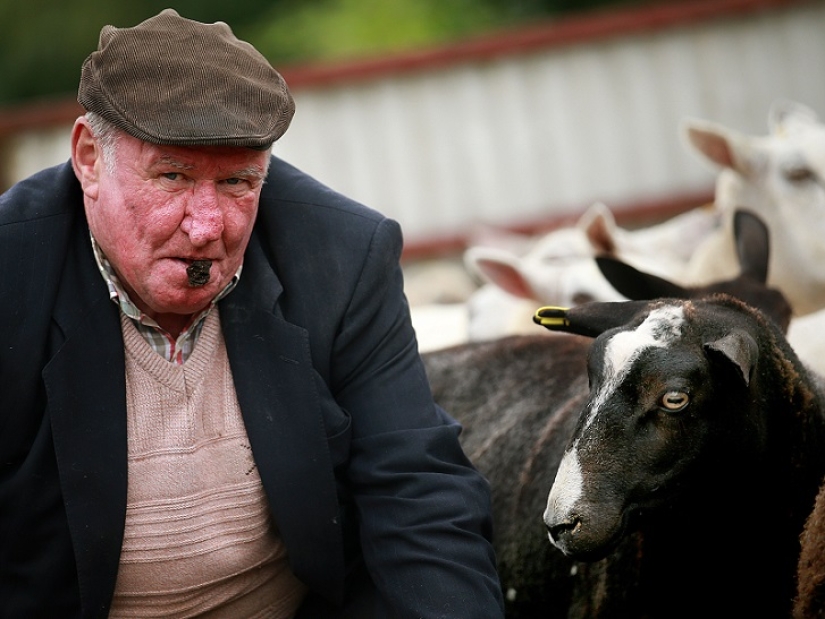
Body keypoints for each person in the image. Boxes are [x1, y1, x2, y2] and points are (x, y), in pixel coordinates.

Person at [0, 9, 505, 618]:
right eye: (173, 176)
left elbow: (418, 492)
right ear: (89, 159)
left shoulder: (342, 258)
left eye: (240, 182)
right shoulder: (12, 270)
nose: (208, 227)